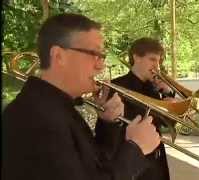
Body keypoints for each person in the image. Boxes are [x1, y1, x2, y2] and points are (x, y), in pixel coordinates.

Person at [2, 13, 161, 180]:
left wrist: (107, 124)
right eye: (95, 54)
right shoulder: (37, 117)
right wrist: (135, 149)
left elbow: (94, 166)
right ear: (58, 56)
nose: (101, 66)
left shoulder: (53, 107)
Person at [95, 37, 176, 180]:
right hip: (135, 167)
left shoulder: (154, 88)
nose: (157, 66)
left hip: (157, 164)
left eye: (159, 61)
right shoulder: (117, 86)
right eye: (152, 59)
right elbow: (108, 136)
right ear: (136, 57)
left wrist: (168, 94)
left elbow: (167, 124)